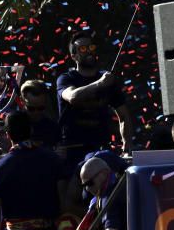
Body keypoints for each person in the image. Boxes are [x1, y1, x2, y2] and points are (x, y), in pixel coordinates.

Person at [56, 30, 134, 166]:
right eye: (83, 49)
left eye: (91, 47)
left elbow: (124, 116)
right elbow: (73, 97)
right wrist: (100, 84)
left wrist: (126, 147)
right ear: (74, 56)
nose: (89, 51)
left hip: (101, 149)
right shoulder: (66, 79)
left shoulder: (107, 79)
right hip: (72, 149)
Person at [21, 80, 60, 149]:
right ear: (22, 101)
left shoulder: (52, 127)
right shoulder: (15, 125)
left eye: (41, 108)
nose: (36, 112)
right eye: (31, 108)